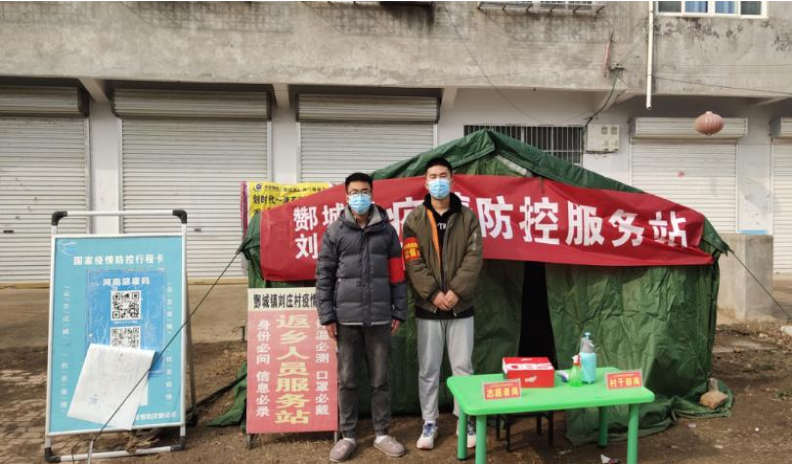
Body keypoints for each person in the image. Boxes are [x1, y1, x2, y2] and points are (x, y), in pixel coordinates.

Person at [316, 172, 408, 463]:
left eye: (364, 191)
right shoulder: (335, 232)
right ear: (346, 196)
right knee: (347, 380)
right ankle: (348, 435)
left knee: (381, 379)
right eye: (354, 192)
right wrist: (327, 315)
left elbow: (397, 274)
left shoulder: (387, 232)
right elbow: (324, 276)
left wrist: (398, 310)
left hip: (380, 317)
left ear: (372, 194)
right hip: (346, 320)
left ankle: (382, 433)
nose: (360, 197)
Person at [402, 157, 484, 451]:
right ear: (425, 183)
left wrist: (456, 292)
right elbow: (413, 262)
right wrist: (434, 294)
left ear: (452, 179)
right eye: (433, 176)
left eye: (443, 175)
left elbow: (474, 257)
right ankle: (430, 421)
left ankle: (466, 418)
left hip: (462, 307)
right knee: (429, 369)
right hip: (429, 308)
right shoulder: (413, 220)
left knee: (463, 367)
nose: (438, 181)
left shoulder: (468, 217)